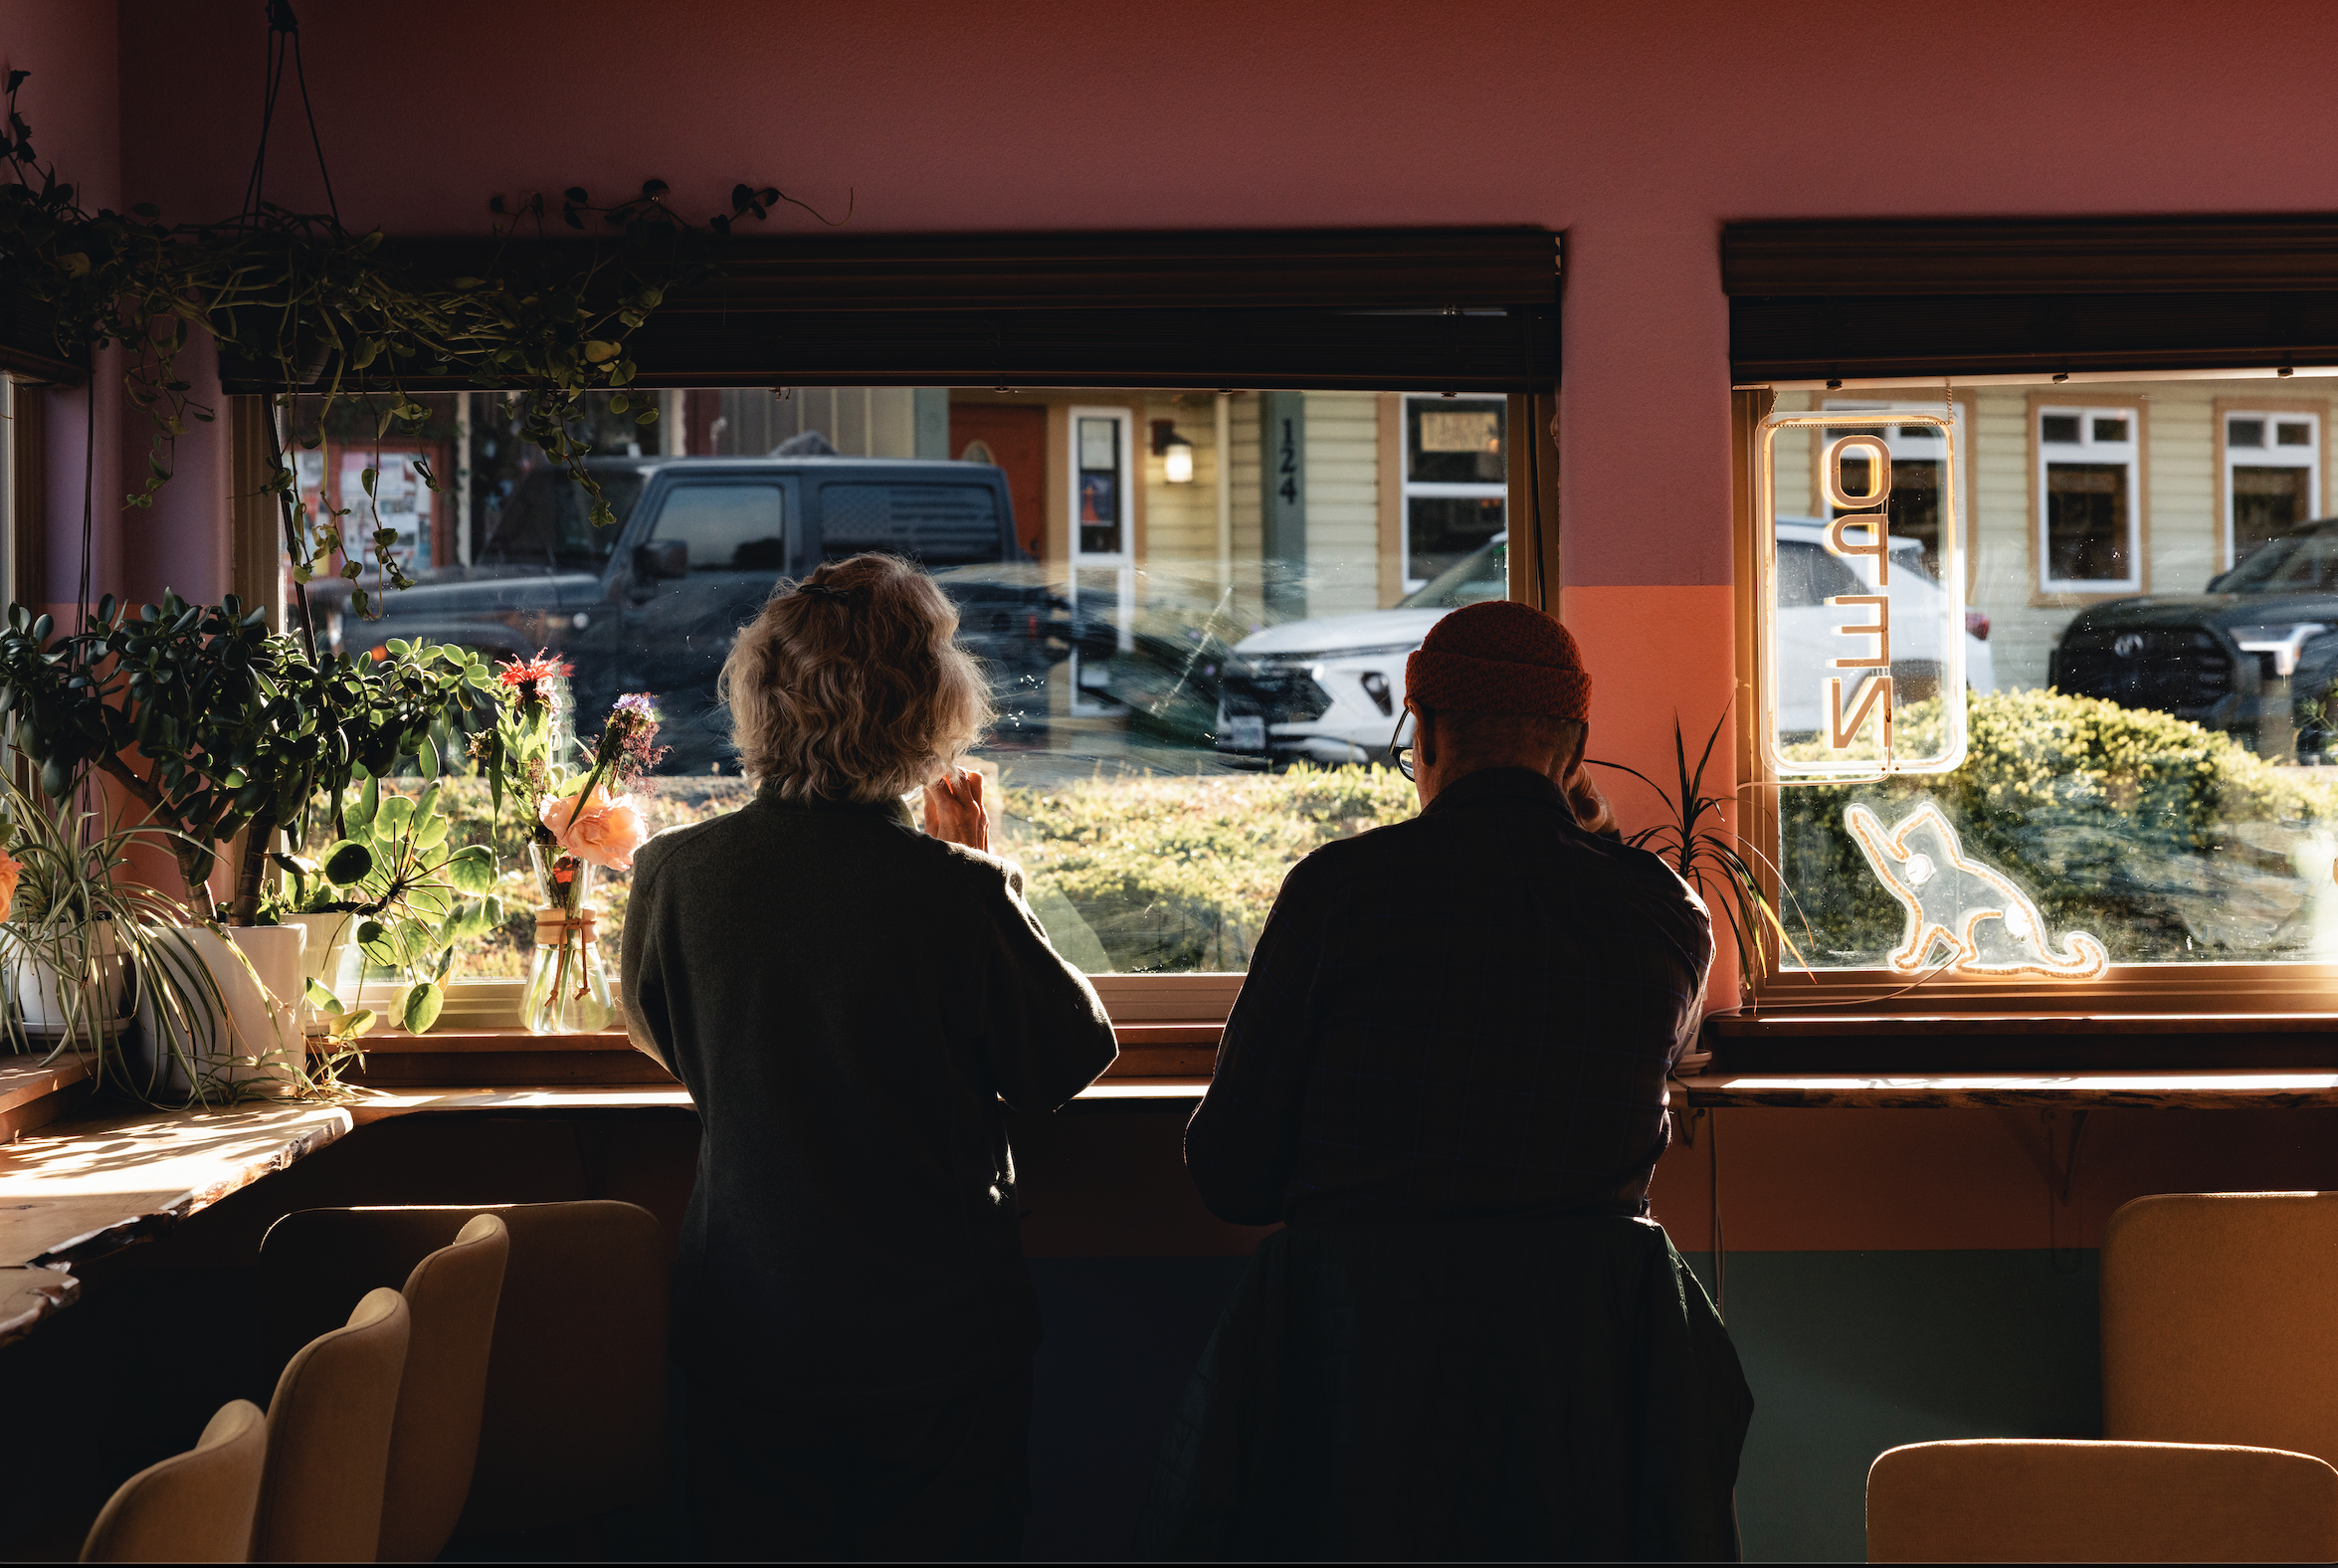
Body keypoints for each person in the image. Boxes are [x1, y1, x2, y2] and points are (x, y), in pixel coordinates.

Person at [1136, 599, 1753, 1561]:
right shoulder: (1663, 914)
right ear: (1574, 745)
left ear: (1422, 733)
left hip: (1358, 1392)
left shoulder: (1339, 891)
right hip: (1574, 1404)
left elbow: (1233, 1176)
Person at [621, 552, 1118, 1560]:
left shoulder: (674, 877)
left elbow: (666, 1034)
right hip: (938, 1338)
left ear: (760, 701)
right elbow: (1065, 1056)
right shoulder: (954, 891)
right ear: (928, 709)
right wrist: (983, 863)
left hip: (749, 1324)